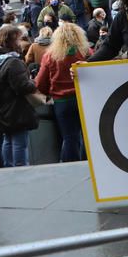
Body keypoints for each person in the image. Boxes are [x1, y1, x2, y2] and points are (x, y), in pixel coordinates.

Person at [0, 24, 46, 166]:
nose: (21, 42)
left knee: (8, 139)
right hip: (17, 108)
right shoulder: (13, 63)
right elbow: (23, 86)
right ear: (11, 41)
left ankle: (9, 168)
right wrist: (34, 82)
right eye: (19, 39)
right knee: (19, 142)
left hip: (1, 108)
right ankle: (20, 169)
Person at [36, 21, 90, 162]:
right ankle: (89, 163)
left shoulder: (50, 56)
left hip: (62, 101)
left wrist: (49, 92)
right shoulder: (86, 52)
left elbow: (40, 83)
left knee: (69, 137)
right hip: (84, 98)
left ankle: (70, 166)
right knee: (87, 135)